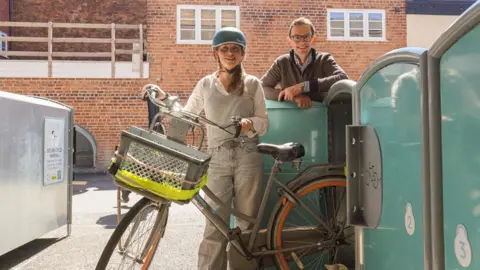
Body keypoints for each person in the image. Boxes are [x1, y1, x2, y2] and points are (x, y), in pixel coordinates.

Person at [182, 27, 269, 270]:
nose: (230, 53)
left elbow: (264, 122)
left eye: (235, 48)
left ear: (242, 54)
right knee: (214, 224)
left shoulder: (253, 84)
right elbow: (188, 114)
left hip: (247, 156)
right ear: (216, 53)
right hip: (217, 159)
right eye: (224, 48)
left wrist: (250, 123)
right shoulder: (205, 85)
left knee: (246, 225)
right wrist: (164, 101)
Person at [260, 17, 348, 108]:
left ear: (313, 39)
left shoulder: (324, 59)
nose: (302, 42)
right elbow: (261, 88)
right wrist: (292, 96)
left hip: (319, 117)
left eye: (306, 37)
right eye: (297, 37)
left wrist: (304, 86)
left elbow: (342, 78)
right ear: (289, 41)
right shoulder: (281, 63)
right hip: (289, 117)